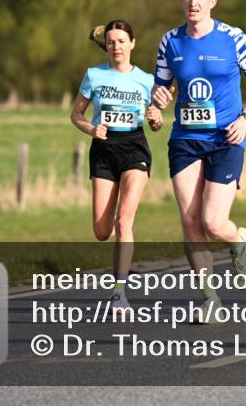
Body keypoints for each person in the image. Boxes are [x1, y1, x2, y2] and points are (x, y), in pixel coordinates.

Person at [151, 0, 246, 319]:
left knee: (214, 222)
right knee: (190, 222)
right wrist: (156, 102)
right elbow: (159, 93)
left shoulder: (233, 37)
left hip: (225, 138)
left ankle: (238, 241)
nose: (193, 3)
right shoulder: (170, 41)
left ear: (212, 1)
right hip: (186, 139)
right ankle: (210, 299)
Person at [71, 19, 163, 318]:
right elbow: (76, 115)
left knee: (124, 220)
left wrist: (155, 119)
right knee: (101, 230)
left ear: (132, 43)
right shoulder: (94, 75)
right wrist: (90, 129)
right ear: (106, 45)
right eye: (111, 41)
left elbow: (156, 122)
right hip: (103, 149)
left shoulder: (147, 80)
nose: (116, 46)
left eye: (122, 41)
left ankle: (119, 293)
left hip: (135, 147)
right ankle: (125, 231)